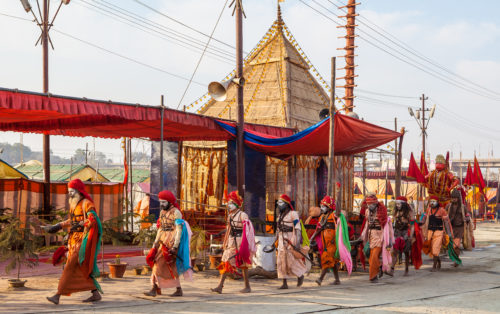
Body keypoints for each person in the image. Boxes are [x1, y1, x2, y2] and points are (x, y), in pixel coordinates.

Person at [43, 179, 103, 305]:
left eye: (72, 191)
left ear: (79, 191)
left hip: (82, 241)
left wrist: (83, 224)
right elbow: (72, 221)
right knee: (80, 268)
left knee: (69, 267)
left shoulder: (87, 203)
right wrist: (58, 226)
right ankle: (95, 293)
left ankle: (57, 295)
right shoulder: (74, 204)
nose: (69, 194)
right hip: (73, 240)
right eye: (68, 191)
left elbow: (93, 219)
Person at [144, 190, 192, 297]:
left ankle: (158, 289)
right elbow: (160, 229)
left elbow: (179, 230)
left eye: (164, 202)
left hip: (171, 241)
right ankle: (157, 288)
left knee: (166, 265)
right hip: (162, 241)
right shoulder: (162, 213)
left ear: (170, 202)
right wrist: (155, 243)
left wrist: (175, 246)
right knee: (159, 263)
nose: (161, 204)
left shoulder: (176, 212)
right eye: (160, 202)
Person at [211, 191, 256, 294]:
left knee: (243, 264)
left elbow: (248, 229)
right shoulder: (230, 216)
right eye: (228, 203)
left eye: (231, 203)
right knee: (226, 261)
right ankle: (220, 286)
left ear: (236, 204)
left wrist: (246, 244)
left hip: (241, 241)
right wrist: (225, 242)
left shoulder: (242, 214)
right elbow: (228, 230)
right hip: (231, 241)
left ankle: (247, 286)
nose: (229, 205)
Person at [273, 194, 309, 289]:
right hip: (281, 240)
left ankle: (300, 275)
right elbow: (277, 230)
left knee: (291, 260)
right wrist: (274, 242)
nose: (278, 204)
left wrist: (297, 243)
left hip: (291, 239)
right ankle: (284, 283)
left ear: (286, 204)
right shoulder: (280, 215)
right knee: (281, 260)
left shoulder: (293, 214)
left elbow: (298, 229)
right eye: (278, 203)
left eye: (281, 203)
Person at [360, 194, 394, 283]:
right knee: (371, 257)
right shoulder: (367, 211)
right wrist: (363, 236)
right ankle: (380, 267)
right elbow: (367, 224)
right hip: (371, 237)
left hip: (380, 237)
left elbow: (387, 226)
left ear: (375, 203)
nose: (369, 206)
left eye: (371, 204)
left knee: (374, 256)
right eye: (368, 204)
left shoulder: (382, 211)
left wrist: (389, 240)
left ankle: (373, 276)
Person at [311, 196, 340, 286]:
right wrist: (311, 238)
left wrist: (339, 194)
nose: (322, 208)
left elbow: (338, 212)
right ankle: (337, 280)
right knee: (333, 261)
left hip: (332, 242)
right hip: (325, 243)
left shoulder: (334, 215)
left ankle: (320, 279)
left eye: (324, 206)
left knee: (326, 259)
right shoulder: (322, 217)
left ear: (329, 207)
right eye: (322, 206)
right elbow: (318, 229)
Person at [422, 195, 453, 272]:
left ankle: (434, 266)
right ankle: (438, 261)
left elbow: (446, 222)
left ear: (437, 202)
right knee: (432, 249)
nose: (432, 203)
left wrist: (449, 233)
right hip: (430, 231)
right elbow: (424, 219)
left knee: (436, 248)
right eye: (431, 201)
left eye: (434, 201)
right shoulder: (428, 210)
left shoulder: (442, 210)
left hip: (439, 231)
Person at [390, 196, 415, 276]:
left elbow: (412, 225)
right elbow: (392, 222)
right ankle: (392, 269)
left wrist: (411, 235)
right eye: (396, 204)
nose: (397, 205)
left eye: (399, 204)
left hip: (405, 233)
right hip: (397, 232)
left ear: (403, 204)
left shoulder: (409, 212)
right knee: (395, 251)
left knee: (406, 252)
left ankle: (406, 268)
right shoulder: (396, 212)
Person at [446, 189, 471, 266]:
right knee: (451, 245)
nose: (454, 199)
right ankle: (455, 259)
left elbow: (468, 215)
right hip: (451, 228)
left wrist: (466, 219)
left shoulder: (463, 207)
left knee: (456, 245)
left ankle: (456, 261)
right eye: (452, 197)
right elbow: (444, 215)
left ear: (458, 198)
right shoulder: (448, 206)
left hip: (460, 228)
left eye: (455, 198)